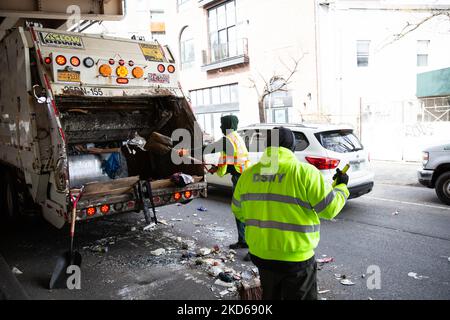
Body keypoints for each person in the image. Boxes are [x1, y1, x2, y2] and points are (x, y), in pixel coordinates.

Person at [231, 127, 349, 300]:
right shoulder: (305, 173)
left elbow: (238, 211)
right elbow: (329, 209)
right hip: (296, 261)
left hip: (262, 256)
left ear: (267, 147)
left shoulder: (248, 175)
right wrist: (341, 187)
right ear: (292, 148)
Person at [181, 115, 251, 254]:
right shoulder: (235, 138)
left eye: (222, 124)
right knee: (241, 210)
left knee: (242, 211)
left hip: (241, 179)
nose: (220, 127)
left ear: (227, 126)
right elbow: (231, 159)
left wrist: (187, 152)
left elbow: (208, 148)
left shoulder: (228, 140)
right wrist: (217, 168)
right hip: (242, 176)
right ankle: (243, 241)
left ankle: (250, 246)